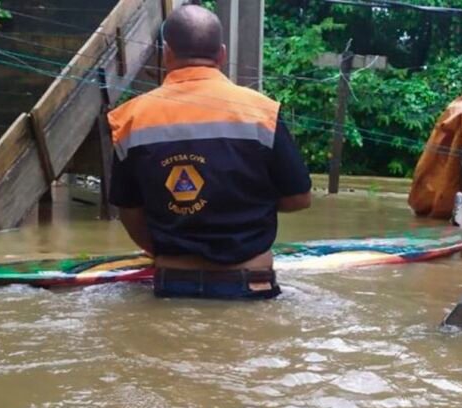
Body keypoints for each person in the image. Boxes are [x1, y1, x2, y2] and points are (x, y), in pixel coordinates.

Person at [108, 4, 312, 300]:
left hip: (172, 282)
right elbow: (300, 198)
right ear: (222, 54)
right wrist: (245, 202)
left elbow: (129, 211)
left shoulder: (129, 119)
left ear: (166, 53)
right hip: (251, 282)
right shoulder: (262, 113)